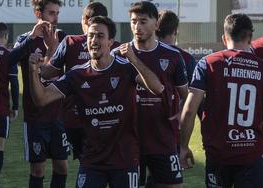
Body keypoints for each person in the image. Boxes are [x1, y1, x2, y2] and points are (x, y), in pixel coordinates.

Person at [28, 16, 164, 188]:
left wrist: (134, 60)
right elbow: (41, 99)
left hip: (124, 160)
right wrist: (32, 71)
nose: (93, 40)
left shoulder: (126, 68)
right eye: (91, 35)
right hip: (92, 161)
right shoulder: (76, 75)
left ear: (110, 42)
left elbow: (157, 88)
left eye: (100, 36)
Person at [180, 13, 263, 188]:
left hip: (219, 154)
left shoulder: (208, 63)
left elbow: (189, 109)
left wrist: (183, 146)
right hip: (251, 152)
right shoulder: (261, 67)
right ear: (250, 37)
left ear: (224, 38)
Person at [112, 2, 188, 188]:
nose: (137, 27)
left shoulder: (173, 56)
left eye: (143, 21)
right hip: (128, 140)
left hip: (163, 137)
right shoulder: (116, 55)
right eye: (134, 21)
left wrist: (180, 113)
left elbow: (185, 95)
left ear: (156, 25)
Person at [40, 2, 115, 162]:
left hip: (75, 119)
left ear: (85, 19)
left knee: (88, 163)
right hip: (108, 118)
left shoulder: (70, 42)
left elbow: (46, 73)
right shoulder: (114, 45)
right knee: (107, 163)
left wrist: (49, 51)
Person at [7, 1, 70, 188]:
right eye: (51, 13)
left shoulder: (63, 38)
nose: (56, 18)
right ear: (38, 13)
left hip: (59, 115)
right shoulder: (26, 39)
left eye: (58, 13)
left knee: (62, 167)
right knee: (38, 169)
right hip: (35, 117)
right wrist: (31, 37)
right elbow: (7, 63)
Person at [0, 21, 19, 188]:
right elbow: (14, 83)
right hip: (0, 108)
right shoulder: (9, 55)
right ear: (6, 36)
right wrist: (16, 106)